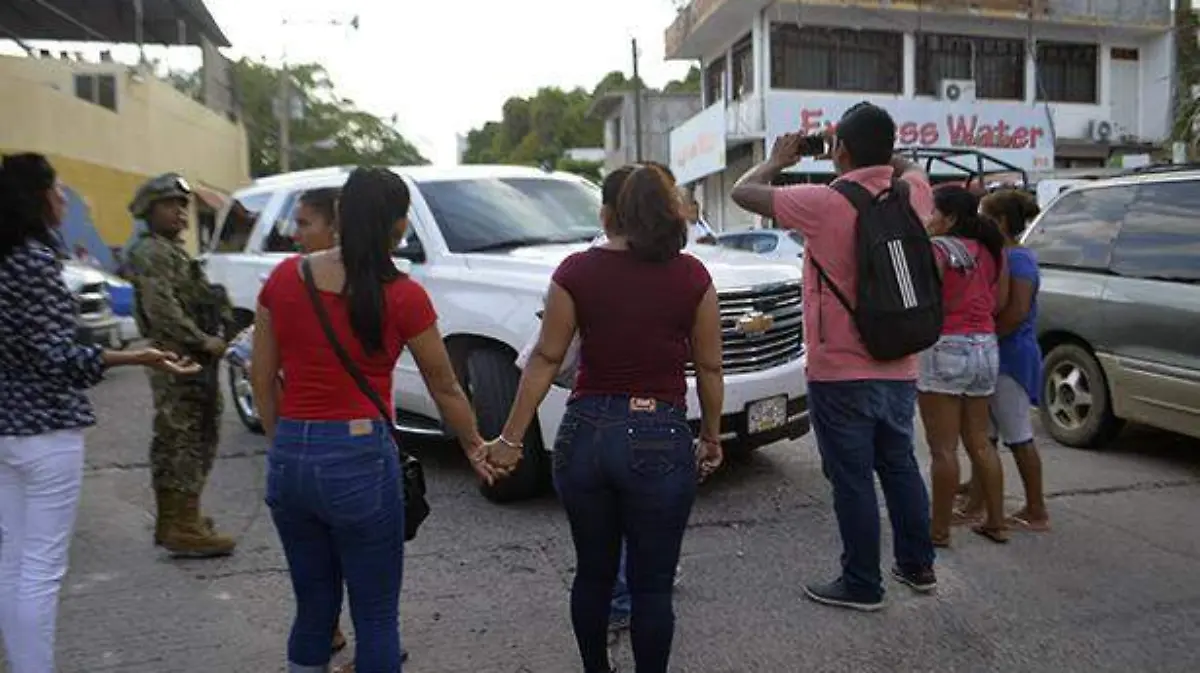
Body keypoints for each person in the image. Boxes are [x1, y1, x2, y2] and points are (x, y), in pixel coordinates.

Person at [251, 167, 518, 673]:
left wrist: (281, 443)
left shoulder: (286, 278)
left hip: (291, 459)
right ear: (400, 228)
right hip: (358, 460)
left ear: (342, 216)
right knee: (375, 617)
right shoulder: (403, 295)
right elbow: (445, 385)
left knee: (312, 609)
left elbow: (262, 378)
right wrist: (473, 446)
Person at [488, 164, 724, 673]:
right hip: (659, 433)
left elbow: (546, 358)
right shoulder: (693, 276)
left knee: (593, 575)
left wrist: (510, 439)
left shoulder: (574, 272)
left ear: (608, 214)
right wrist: (710, 436)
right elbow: (708, 365)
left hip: (585, 434)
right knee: (652, 584)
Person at [730, 102, 937, 611]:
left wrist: (778, 159)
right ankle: (917, 566)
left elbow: (742, 191)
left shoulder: (823, 202)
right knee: (900, 466)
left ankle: (863, 584)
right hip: (900, 362)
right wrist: (880, 150)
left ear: (839, 150)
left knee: (851, 479)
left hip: (840, 370)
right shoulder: (912, 194)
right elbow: (911, 167)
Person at [0, 152, 199, 673]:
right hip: (45, 431)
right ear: (37, 197)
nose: (64, 198)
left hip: (6, 432)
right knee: (39, 570)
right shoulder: (35, 260)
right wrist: (137, 354)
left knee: (13, 563)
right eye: (58, 189)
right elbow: (58, 358)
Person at [126, 173, 239, 558]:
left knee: (183, 434)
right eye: (169, 204)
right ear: (148, 209)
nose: (179, 212)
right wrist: (202, 339)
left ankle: (176, 520)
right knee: (187, 436)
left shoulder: (166, 250)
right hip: (179, 356)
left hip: (185, 355)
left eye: (182, 205)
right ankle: (183, 525)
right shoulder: (154, 252)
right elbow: (163, 310)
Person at [919, 185, 1010, 546]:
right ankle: (997, 522)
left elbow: (924, 302)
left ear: (950, 217)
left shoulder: (937, 250)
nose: (929, 219)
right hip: (986, 346)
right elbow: (998, 301)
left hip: (946, 345)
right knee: (980, 442)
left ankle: (938, 531)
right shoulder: (991, 250)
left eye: (933, 212)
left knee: (943, 449)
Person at [975, 188, 1049, 531]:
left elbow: (1015, 313)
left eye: (984, 216)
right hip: (997, 356)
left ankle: (1036, 510)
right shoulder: (1005, 255)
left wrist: (984, 341)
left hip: (1011, 358)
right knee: (985, 435)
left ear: (1001, 222)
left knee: (1018, 434)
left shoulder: (1018, 260)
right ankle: (978, 498)